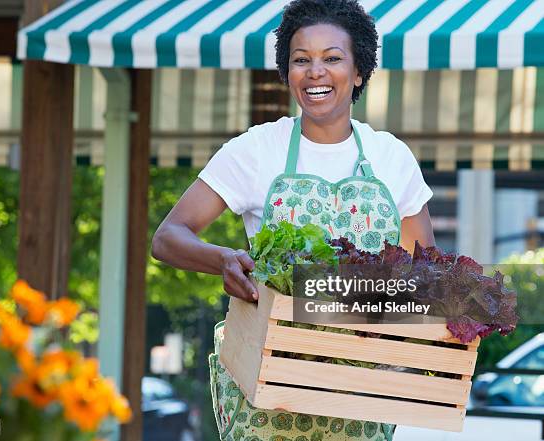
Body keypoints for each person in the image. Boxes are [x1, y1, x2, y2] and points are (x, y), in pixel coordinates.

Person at [152, 0, 435, 439]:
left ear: (359, 72)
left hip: (360, 392)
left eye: (333, 58)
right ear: (287, 73)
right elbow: (168, 237)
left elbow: (426, 271)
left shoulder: (392, 157)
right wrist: (225, 258)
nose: (315, 71)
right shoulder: (255, 149)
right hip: (268, 383)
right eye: (301, 60)